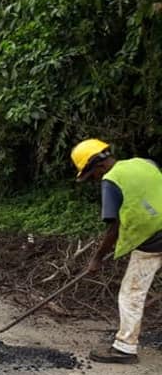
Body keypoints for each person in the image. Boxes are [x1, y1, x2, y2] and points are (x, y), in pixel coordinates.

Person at [72, 138, 162, 363]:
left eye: (91, 175)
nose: (94, 180)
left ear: (98, 166)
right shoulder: (145, 163)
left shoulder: (111, 180)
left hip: (153, 241)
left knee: (131, 293)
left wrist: (97, 258)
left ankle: (125, 348)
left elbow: (114, 227)